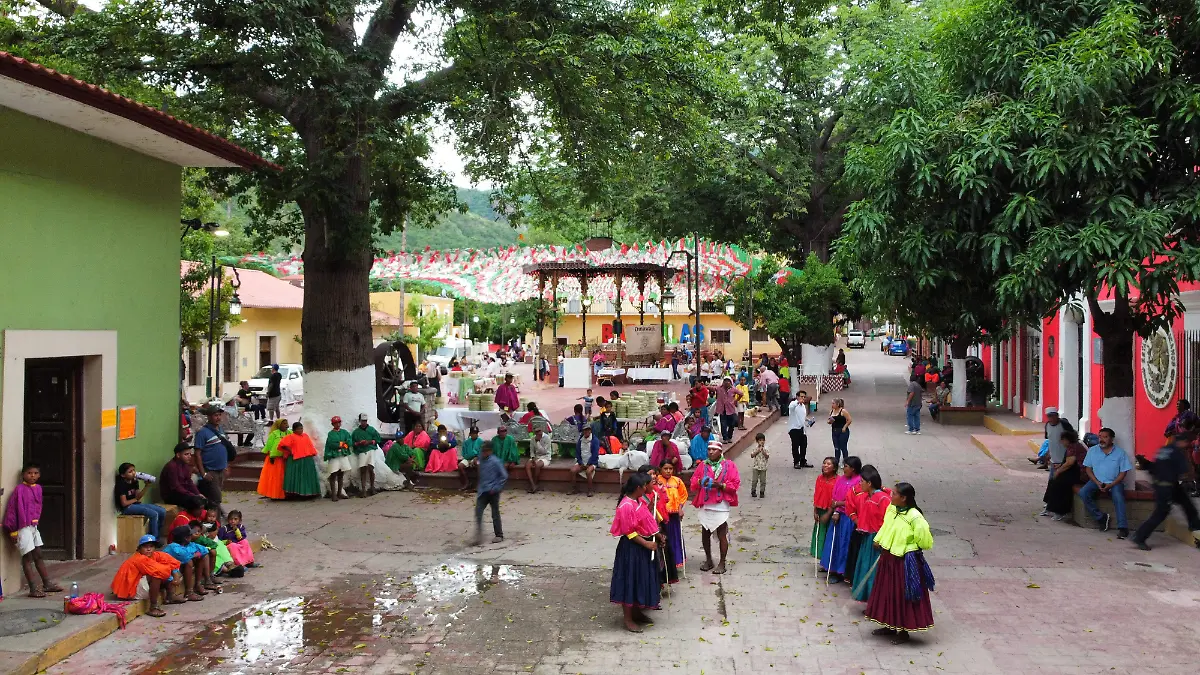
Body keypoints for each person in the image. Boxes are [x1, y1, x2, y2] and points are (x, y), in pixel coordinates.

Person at [865, 482, 935, 644]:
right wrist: (879, 540)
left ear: (904, 498)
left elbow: (925, 540)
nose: (891, 496)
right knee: (886, 591)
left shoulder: (915, 517)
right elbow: (886, 527)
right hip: (888, 557)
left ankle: (903, 631)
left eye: (895, 494)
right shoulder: (892, 509)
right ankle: (888, 625)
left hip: (904, 562)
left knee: (901, 594)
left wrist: (910, 549)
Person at [609, 473, 661, 632]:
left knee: (640, 579)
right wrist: (646, 543)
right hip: (632, 549)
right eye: (645, 486)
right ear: (638, 488)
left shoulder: (639, 501)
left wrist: (657, 535)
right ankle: (628, 618)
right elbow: (629, 532)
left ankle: (637, 612)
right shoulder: (626, 506)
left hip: (643, 548)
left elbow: (648, 519)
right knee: (629, 580)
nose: (647, 488)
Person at [1131, 433, 1200, 550]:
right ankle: (1139, 537)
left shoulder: (1163, 450)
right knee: (1161, 513)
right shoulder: (1178, 453)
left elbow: (1153, 468)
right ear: (1183, 442)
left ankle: (1195, 525)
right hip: (1167, 487)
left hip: (1163, 485)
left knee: (1187, 503)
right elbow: (1184, 473)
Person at [3, 463, 63, 597]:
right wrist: (13, 530)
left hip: (33, 527)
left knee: (39, 554)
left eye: (35, 473)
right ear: (23, 475)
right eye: (30, 473)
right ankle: (32, 588)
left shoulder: (38, 489)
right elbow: (12, 510)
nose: (33, 476)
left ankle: (47, 584)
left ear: (39, 475)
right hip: (22, 527)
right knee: (27, 557)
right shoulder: (19, 490)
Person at [690, 441, 740, 574]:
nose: (711, 452)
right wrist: (701, 482)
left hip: (720, 504)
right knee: (705, 532)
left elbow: (735, 483)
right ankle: (708, 560)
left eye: (714, 450)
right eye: (709, 449)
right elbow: (693, 481)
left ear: (720, 451)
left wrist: (721, 485)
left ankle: (722, 563)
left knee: (722, 533)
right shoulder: (703, 465)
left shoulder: (729, 465)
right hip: (706, 503)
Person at [1079, 427, 1133, 537]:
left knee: (1118, 497)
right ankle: (1101, 517)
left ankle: (1123, 527)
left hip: (1114, 482)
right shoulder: (1092, 451)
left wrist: (1111, 484)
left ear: (1111, 439)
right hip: (1096, 481)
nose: (1102, 439)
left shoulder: (1120, 453)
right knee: (1083, 493)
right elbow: (1088, 469)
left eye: (1105, 437)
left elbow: (1123, 472)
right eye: (1100, 437)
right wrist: (1097, 482)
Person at [111, 534, 183, 615]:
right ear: (139, 549)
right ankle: (153, 607)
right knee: (157, 576)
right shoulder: (139, 558)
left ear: (154, 548)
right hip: (130, 590)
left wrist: (175, 574)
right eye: (145, 547)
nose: (149, 549)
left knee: (163, 572)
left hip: (137, 584)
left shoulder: (155, 555)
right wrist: (172, 578)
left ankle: (170, 597)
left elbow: (172, 561)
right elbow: (161, 571)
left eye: (151, 546)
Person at [850, 467, 892, 601]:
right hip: (867, 538)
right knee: (865, 566)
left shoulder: (882, 498)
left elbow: (887, 522)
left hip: (876, 539)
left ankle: (875, 599)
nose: (859, 484)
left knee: (873, 569)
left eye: (862, 481)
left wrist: (879, 539)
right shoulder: (870, 496)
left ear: (869, 483)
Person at [820, 456, 862, 583]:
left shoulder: (858, 481)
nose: (844, 468)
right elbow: (835, 496)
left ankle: (842, 571)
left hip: (849, 518)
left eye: (847, 467)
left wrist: (839, 505)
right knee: (834, 542)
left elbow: (854, 501)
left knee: (844, 544)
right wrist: (836, 510)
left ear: (853, 469)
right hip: (837, 516)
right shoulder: (841, 479)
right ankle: (832, 568)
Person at [192, 405, 234, 519]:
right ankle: (216, 525)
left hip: (221, 470)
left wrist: (226, 465)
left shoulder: (220, 430)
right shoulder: (202, 432)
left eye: (220, 415)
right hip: (210, 471)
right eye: (216, 415)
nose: (218, 417)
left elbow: (224, 448)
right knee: (215, 500)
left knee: (215, 499)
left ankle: (214, 522)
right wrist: (203, 473)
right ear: (209, 417)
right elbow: (197, 454)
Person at [1041, 429, 1088, 520]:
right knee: (1053, 481)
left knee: (1061, 483)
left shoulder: (1074, 447)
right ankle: (1049, 506)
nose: (1061, 442)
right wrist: (1059, 466)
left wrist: (1058, 471)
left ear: (1067, 439)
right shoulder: (1072, 447)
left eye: (1062, 439)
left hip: (1081, 473)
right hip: (1074, 471)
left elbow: (1070, 463)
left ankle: (1060, 511)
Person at [114, 462, 168, 536]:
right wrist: (135, 500)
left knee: (162, 511)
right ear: (123, 475)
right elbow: (124, 503)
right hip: (127, 508)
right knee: (153, 514)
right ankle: (153, 539)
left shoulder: (134, 481)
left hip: (136, 505)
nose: (133, 473)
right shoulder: (121, 485)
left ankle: (158, 535)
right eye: (130, 472)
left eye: (134, 470)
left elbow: (138, 497)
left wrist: (147, 486)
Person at [161, 525, 212, 600]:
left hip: (177, 568)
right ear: (185, 538)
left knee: (202, 557)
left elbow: (204, 550)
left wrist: (196, 554)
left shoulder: (188, 544)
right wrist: (194, 554)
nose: (192, 536)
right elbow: (186, 557)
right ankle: (189, 592)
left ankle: (198, 584)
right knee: (189, 562)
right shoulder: (173, 547)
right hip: (167, 572)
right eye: (190, 534)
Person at [657, 461, 689, 576]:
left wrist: (680, 509)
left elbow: (683, 495)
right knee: (664, 538)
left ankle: (676, 562)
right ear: (660, 469)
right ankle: (663, 565)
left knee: (675, 538)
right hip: (661, 516)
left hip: (674, 515)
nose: (668, 471)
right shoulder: (657, 480)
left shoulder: (677, 481)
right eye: (665, 468)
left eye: (670, 468)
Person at [473, 441, 507, 545]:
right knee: (478, 512)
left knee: (495, 513)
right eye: (482, 450)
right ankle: (478, 535)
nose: (483, 452)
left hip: (493, 491)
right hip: (483, 490)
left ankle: (499, 535)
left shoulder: (496, 462)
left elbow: (504, 476)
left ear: (490, 451)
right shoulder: (481, 459)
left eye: (485, 450)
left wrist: (497, 487)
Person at [278, 421, 322, 497]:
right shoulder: (291, 436)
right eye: (299, 429)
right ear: (294, 430)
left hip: (307, 459)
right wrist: (291, 451)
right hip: (296, 460)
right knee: (298, 477)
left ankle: (309, 493)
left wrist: (312, 453)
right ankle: (297, 494)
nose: (301, 430)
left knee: (307, 477)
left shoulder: (305, 436)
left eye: (301, 428)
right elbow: (282, 445)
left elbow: (310, 446)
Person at [811, 457, 838, 558]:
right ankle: (821, 558)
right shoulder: (819, 478)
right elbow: (816, 495)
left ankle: (827, 560)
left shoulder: (837, 481)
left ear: (834, 468)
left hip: (830, 512)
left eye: (829, 464)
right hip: (820, 511)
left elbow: (836, 498)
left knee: (829, 537)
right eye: (824, 463)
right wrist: (815, 510)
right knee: (820, 536)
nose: (825, 465)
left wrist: (828, 513)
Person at [323, 416, 354, 502]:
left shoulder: (344, 432)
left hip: (342, 455)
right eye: (336, 423)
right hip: (334, 456)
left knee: (341, 474)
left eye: (339, 422)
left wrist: (344, 444)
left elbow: (349, 440)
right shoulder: (331, 433)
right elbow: (331, 443)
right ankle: (333, 494)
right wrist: (341, 444)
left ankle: (339, 492)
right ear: (333, 424)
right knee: (333, 474)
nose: (338, 424)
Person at [257, 418, 289, 500]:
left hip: (285, 459)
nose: (286, 425)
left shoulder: (289, 433)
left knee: (282, 477)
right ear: (279, 425)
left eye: (286, 423)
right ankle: (272, 493)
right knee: (274, 477)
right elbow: (269, 445)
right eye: (284, 423)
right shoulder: (274, 434)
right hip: (274, 459)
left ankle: (283, 493)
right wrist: (271, 455)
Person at [351, 413, 382, 496]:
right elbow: (352, 443)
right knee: (363, 470)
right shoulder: (356, 432)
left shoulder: (372, 430)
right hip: (362, 451)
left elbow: (378, 439)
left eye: (365, 421)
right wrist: (358, 443)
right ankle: (363, 489)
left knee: (371, 468)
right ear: (360, 421)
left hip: (371, 450)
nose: (364, 422)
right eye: (362, 421)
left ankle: (372, 488)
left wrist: (369, 442)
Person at [571, 425, 601, 496]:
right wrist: (581, 462)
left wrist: (589, 463)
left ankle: (590, 490)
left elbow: (595, 454)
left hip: (592, 462)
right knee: (572, 471)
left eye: (588, 430)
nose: (586, 432)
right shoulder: (580, 440)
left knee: (588, 472)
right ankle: (574, 489)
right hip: (582, 462)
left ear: (590, 431)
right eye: (585, 430)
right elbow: (577, 453)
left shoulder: (595, 440)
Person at [524, 427, 553, 493]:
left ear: (542, 431)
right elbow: (531, 451)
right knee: (527, 465)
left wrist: (538, 442)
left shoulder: (547, 438)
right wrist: (533, 457)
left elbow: (544, 451)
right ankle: (532, 484)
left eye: (539, 431)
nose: (538, 433)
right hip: (536, 457)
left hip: (545, 457)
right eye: (536, 432)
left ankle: (535, 482)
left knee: (537, 465)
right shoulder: (532, 439)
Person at [788, 391, 812, 468]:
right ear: (797, 397)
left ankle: (803, 461)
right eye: (801, 396)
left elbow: (802, 417)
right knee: (795, 446)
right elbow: (791, 408)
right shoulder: (793, 404)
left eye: (804, 397)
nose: (803, 398)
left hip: (802, 428)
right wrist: (798, 402)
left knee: (803, 445)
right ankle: (796, 462)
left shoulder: (803, 406)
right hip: (794, 428)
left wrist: (808, 421)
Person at [827, 398, 852, 466]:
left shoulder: (843, 411)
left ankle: (845, 462)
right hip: (834, 431)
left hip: (842, 431)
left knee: (843, 447)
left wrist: (845, 427)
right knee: (836, 447)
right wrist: (829, 421)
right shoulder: (831, 411)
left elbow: (849, 420)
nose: (832, 405)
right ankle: (836, 461)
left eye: (833, 403)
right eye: (832, 403)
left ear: (838, 404)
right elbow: (829, 421)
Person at [457, 427, 483, 491]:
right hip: (468, 458)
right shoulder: (466, 442)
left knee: (478, 464)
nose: (475, 435)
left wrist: (476, 457)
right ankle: (467, 483)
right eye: (473, 433)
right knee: (460, 466)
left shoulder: (481, 441)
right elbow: (464, 453)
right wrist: (468, 458)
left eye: (476, 433)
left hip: (477, 458)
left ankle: (479, 485)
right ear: (470, 434)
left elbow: (482, 453)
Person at [714, 378, 738, 443]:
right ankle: (725, 438)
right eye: (725, 381)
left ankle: (729, 437)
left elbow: (741, 393)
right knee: (723, 424)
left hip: (731, 409)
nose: (727, 382)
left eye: (728, 381)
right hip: (722, 409)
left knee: (732, 424)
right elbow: (712, 388)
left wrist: (735, 401)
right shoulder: (719, 388)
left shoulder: (733, 389)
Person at [749, 432, 769, 499]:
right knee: (754, 480)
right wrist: (758, 451)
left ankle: (762, 492)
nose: (762, 442)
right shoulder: (755, 448)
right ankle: (753, 491)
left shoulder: (766, 448)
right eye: (760, 440)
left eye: (763, 440)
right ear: (757, 441)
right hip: (756, 467)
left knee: (763, 480)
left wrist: (763, 451)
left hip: (763, 467)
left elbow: (767, 456)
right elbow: (752, 455)